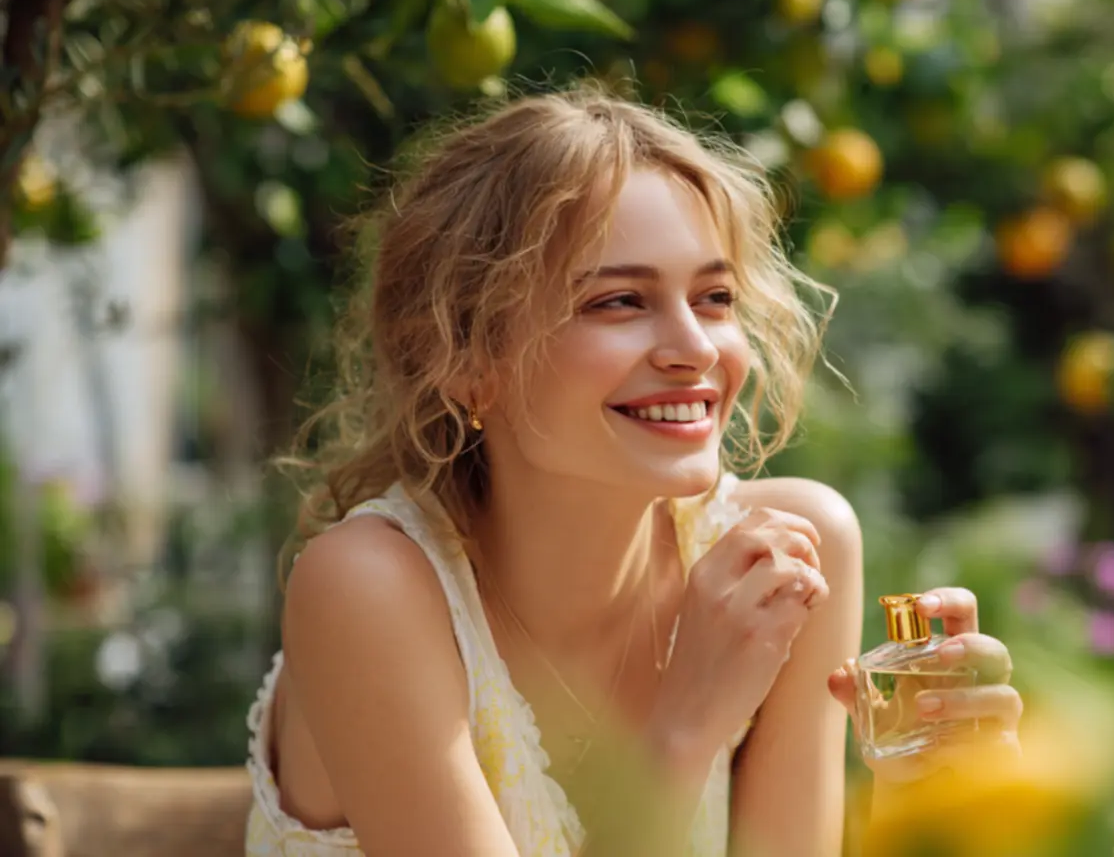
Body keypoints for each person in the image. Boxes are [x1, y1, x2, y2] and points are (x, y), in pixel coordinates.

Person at [242, 87, 1022, 857]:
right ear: (464, 361)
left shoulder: (792, 553)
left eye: (715, 297)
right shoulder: (370, 587)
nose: (695, 348)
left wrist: (924, 805)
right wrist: (685, 727)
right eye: (618, 301)